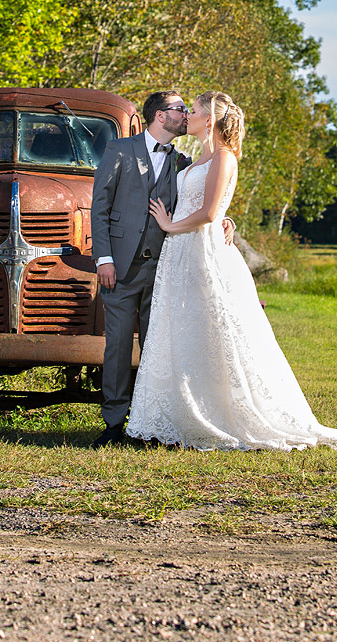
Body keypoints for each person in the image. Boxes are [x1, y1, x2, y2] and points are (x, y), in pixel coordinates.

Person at [125, 91, 337, 452]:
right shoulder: (196, 158)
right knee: (185, 331)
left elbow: (209, 213)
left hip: (201, 252)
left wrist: (169, 225)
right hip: (181, 254)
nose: (187, 116)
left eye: (192, 111)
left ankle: (226, 415)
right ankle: (181, 415)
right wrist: (218, 218)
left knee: (215, 331)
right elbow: (209, 206)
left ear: (209, 120)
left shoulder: (223, 157)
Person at [90, 89, 235, 448]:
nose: (186, 115)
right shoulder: (120, 151)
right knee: (119, 347)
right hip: (119, 269)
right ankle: (113, 424)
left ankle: (152, 423)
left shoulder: (183, 160)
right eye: (179, 109)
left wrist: (226, 218)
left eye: (189, 110)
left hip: (165, 271)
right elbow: (100, 208)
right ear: (159, 115)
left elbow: (202, 199)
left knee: (160, 348)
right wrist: (104, 259)